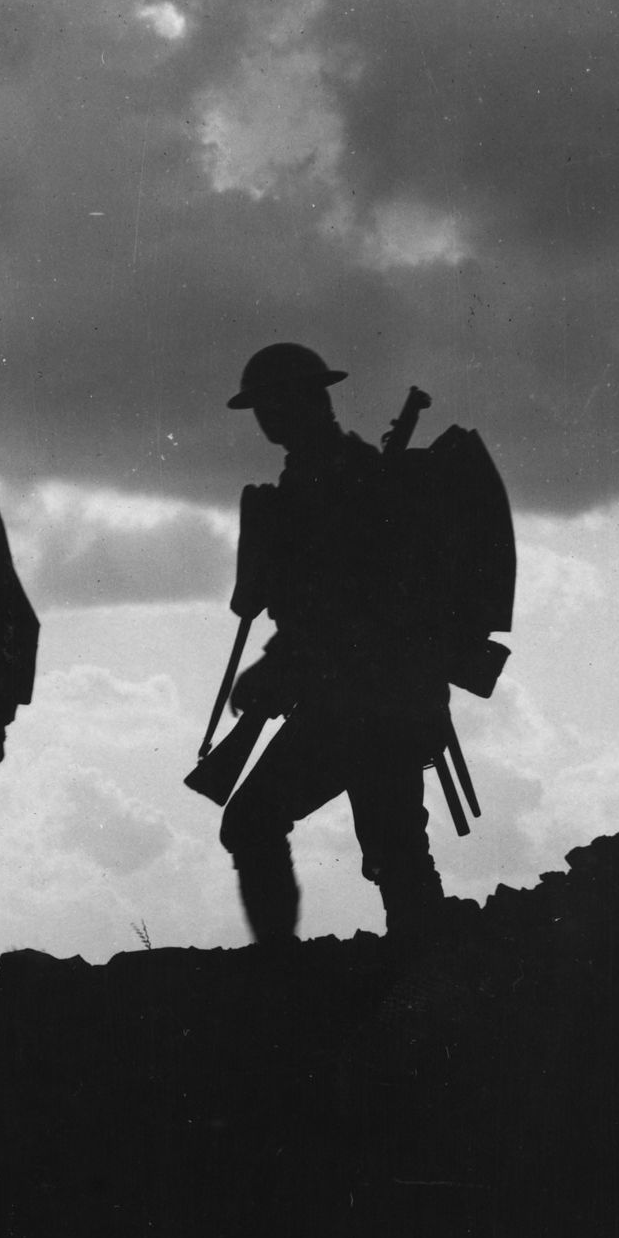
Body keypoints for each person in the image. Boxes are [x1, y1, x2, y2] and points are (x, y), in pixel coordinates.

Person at [214, 343, 451, 949]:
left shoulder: (340, 479)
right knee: (396, 847)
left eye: (276, 401)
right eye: (261, 406)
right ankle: (419, 970)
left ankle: (291, 973)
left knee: (265, 823)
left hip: (368, 702)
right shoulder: (326, 476)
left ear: (312, 400)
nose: (267, 416)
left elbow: (347, 604)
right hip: (374, 700)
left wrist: (277, 668)